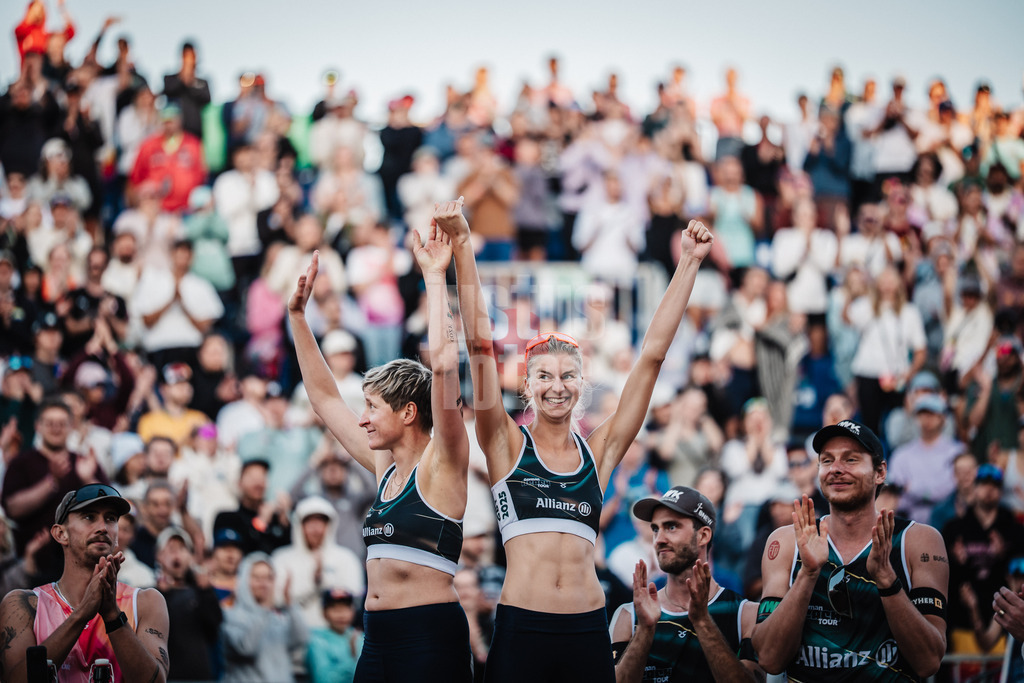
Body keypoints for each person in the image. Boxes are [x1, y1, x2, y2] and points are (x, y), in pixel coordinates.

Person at [434, 198, 713, 682]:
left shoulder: (598, 451)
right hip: (522, 627)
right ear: (527, 385)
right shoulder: (504, 444)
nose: (557, 385)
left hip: (587, 627)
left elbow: (651, 357)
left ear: (582, 386)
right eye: (543, 375)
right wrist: (462, 242)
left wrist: (687, 261)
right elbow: (479, 345)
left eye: (568, 376)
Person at [288, 220, 473, 681]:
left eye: (372, 407)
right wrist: (297, 318)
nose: (363, 418)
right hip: (377, 636)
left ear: (409, 412)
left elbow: (445, 365)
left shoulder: (444, 462)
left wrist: (433, 277)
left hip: (429, 637)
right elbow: (326, 400)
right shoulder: (384, 467)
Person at [753, 420, 948, 681]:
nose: (836, 469)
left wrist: (887, 580)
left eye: (851, 460)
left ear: (880, 472)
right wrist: (808, 574)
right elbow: (769, 658)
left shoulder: (919, 541)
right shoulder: (788, 541)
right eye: (827, 460)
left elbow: (929, 661)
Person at [0, 483, 170, 683]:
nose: (103, 527)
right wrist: (82, 614)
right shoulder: (22, 604)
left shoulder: (146, 602)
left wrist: (112, 615)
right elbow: (17, 680)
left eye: (111, 518)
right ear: (60, 534)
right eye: (89, 517)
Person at [609, 486, 762, 682]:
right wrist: (645, 631)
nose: (659, 540)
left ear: (703, 536)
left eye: (671, 527)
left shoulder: (745, 614)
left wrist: (702, 621)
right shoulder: (629, 615)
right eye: (656, 529)